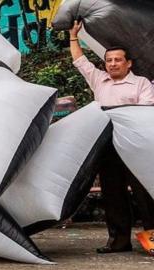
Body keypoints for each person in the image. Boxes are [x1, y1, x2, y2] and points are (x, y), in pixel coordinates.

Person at [70, 20, 154, 253]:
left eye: (118, 60)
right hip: (108, 146)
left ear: (128, 63)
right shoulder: (99, 80)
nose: (113, 64)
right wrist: (73, 37)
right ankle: (118, 241)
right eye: (109, 60)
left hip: (136, 147)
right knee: (112, 194)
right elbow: (80, 62)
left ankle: (153, 240)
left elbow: (146, 112)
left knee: (145, 194)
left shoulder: (142, 84)